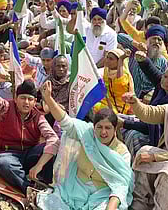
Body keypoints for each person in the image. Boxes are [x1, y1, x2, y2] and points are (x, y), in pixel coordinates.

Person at [33, 82, 134, 210]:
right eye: (99, 127)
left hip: (101, 195)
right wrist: (48, 98)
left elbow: (121, 186)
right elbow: (65, 122)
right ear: (93, 127)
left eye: (108, 128)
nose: (103, 132)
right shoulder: (86, 133)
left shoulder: (122, 152)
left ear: (115, 129)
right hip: (74, 188)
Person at [0, 79, 59, 194]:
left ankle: (45, 182)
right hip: (8, 153)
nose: (26, 102)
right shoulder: (7, 107)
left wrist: (39, 165)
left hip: (29, 154)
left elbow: (53, 138)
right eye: (23, 98)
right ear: (16, 98)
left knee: (54, 147)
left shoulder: (38, 116)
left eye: (30, 99)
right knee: (5, 164)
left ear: (34, 102)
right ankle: (30, 189)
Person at [120, 62, 168, 157]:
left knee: (133, 135)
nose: (165, 81)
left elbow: (151, 125)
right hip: (147, 123)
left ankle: (135, 166)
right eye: (165, 76)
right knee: (115, 118)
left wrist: (125, 123)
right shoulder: (161, 90)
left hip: (160, 140)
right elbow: (150, 71)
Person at [94, 49, 134, 114]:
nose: (107, 60)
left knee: (97, 108)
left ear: (118, 62)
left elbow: (119, 81)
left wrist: (121, 59)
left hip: (118, 108)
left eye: (111, 59)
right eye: (107, 57)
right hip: (105, 101)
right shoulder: (106, 71)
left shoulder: (124, 74)